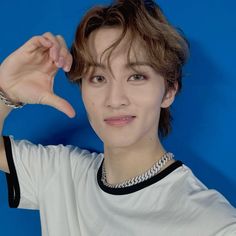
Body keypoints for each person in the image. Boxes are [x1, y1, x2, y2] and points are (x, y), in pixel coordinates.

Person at [0, 0, 235, 235]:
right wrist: (5, 90)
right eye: (98, 78)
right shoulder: (62, 173)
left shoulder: (213, 223)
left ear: (169, 90)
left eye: (136, 76)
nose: (115, 99)